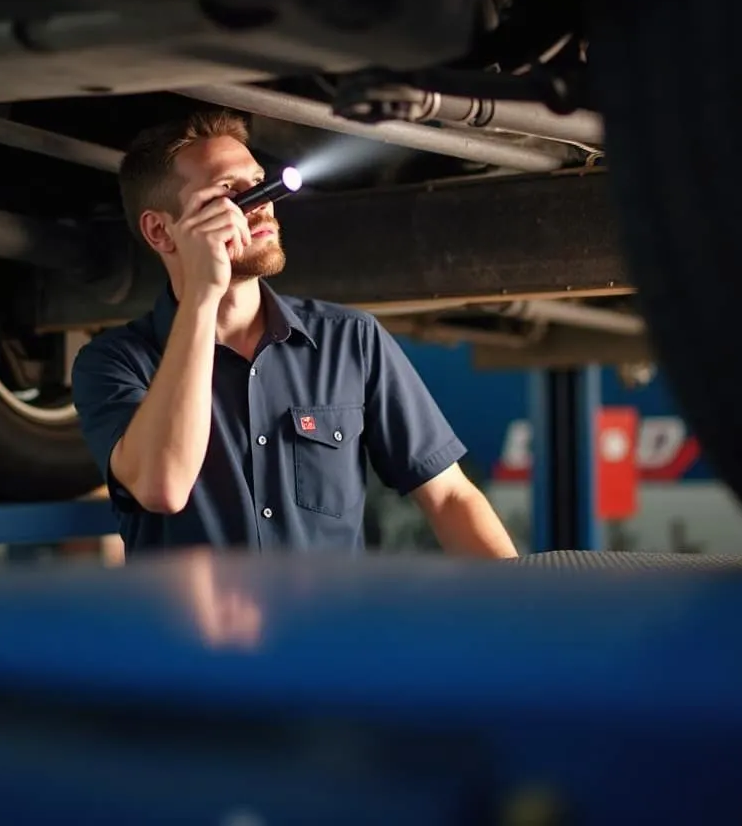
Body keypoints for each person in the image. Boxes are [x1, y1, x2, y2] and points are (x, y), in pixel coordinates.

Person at [72, 109, 518, 559]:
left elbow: (450, 498)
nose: (261, 199)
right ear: (160, 230)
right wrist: (203, 296)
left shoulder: (350, 341)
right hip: (191, 631)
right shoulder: (116, 363)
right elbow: (162, 488)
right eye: (228, 190)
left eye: (259, 180)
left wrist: (524, 610)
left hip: (328, 630)